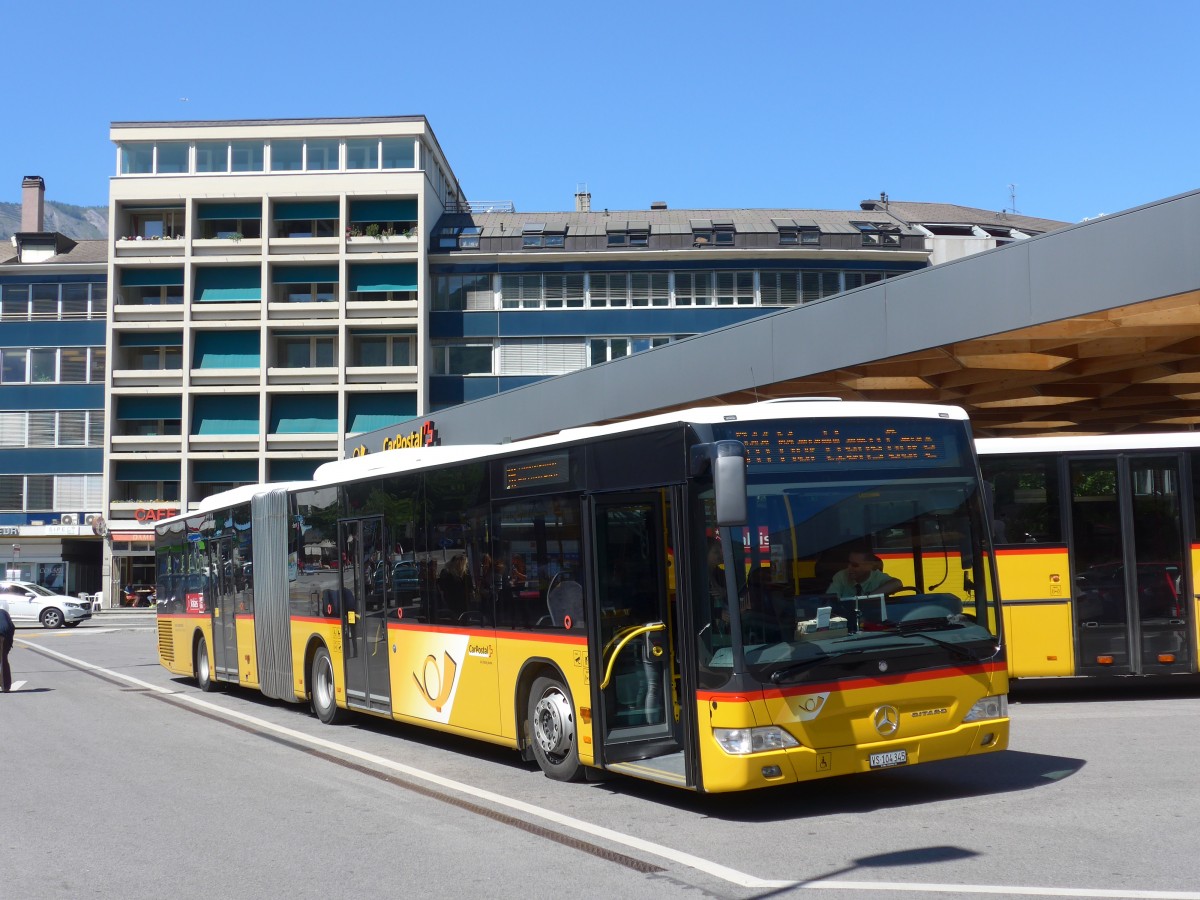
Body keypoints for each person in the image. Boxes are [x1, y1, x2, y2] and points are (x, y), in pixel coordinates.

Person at [826, 550, 903, 599]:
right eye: (849, 563)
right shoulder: (841, 576)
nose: (849, 567)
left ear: (869, 566)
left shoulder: (876, 576)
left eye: (855, 565)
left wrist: (868, 597)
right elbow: (830, 601)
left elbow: (897, 583)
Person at [0, 594, 14, 693]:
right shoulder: (5, 614)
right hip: (2, 636)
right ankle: (5, 686)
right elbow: (11, 628)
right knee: (3, 660)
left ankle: (5, 685)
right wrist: (8, 646)